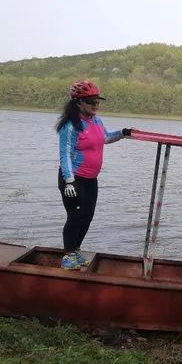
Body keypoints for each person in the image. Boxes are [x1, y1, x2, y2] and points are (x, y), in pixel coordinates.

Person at [56, 80, 132, 270]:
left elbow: (105, 138)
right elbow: (65, 154)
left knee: (87, 216)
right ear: (78, 103)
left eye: (97, 101)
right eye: (91, 101)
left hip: (91, 179)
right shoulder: (71, 126)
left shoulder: (96, 120)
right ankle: (69, 255)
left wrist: (123, 133)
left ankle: (77, 250)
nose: (95, 105)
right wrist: (69, 181)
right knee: (75, 216)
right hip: (73, 179)